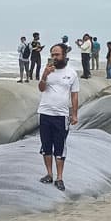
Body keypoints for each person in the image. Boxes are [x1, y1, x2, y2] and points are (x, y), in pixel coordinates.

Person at [37, 43, 79, 192]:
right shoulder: (48, 71)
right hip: (45, 112)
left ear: (64, 55)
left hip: (61, 115)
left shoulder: (72, 73)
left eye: (57, 55)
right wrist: (44, 75)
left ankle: (59, 177)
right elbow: (41, 88)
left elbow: (74, 95)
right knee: (46, 145)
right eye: (52, 54)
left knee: (60, 147)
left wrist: (74, 114)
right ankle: (49, 174)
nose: (54, 57)